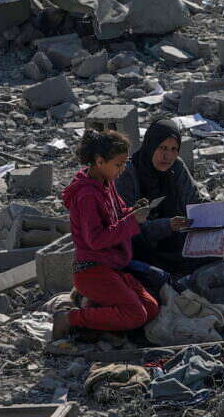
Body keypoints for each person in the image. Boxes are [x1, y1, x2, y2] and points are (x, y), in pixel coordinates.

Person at [53, 130, 163, 339]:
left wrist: (133, 211)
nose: (122, 170)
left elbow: (117, 215)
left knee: (151, 308)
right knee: (135, 315)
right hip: (92, 269)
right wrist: (133, 220)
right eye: (118, 165)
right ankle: (69, 318)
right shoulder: (87, 195)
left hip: (113, 265)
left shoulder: (106, 183)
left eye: (124, 164)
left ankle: (94, 307)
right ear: (100, 162)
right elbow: (96, 240)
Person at [116, 118, 207, 276]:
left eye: (174, 149)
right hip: (140, 247)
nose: (168, 156)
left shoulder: (176, 167)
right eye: (162, 148)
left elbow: (193, 202)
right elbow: (127, 225)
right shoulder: (129, 173)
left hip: (176, 241)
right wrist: (167, 225)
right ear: (151, 145)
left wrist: (221, 211)